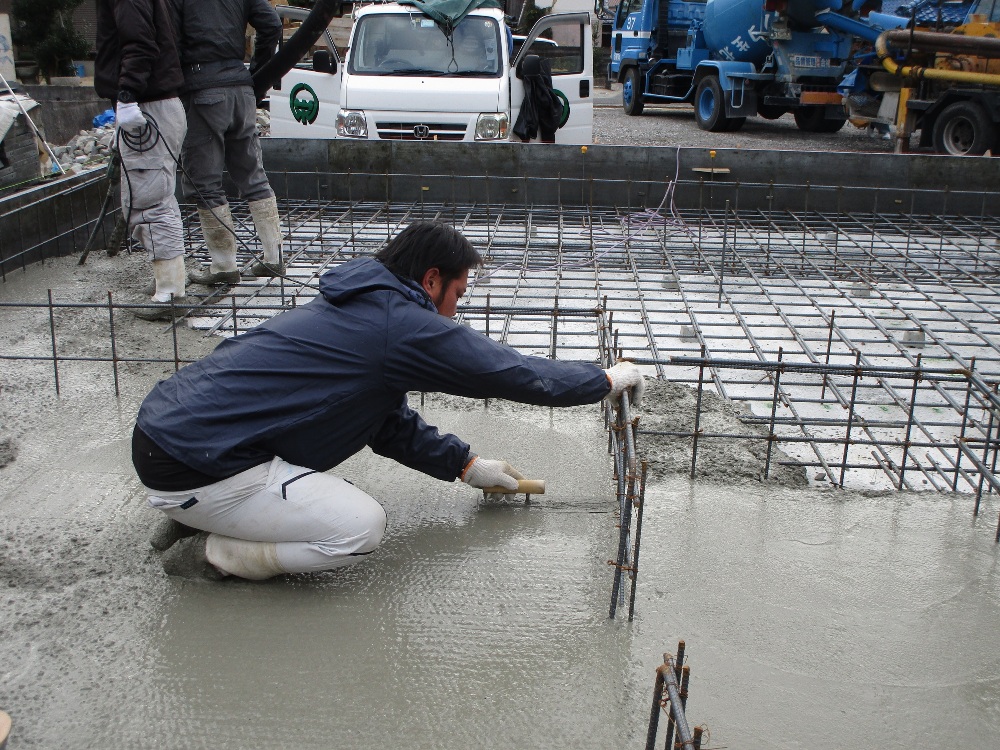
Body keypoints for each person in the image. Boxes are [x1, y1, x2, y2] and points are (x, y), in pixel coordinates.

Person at [133, 222, 645, 581]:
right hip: (196, 460)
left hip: (170, 430)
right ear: (430, 280)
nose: (456, 309)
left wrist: (467, 466)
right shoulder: (401, 326)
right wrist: (603, 380)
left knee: (316, 492)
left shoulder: (360, 306)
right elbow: (510, 372)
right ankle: (215, 552)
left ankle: (198, 512)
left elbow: (382, 422)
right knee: (357, 526)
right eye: (458, 294)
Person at [173, 0, 284, 286]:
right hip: (241, 87)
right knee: (253, 175)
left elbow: (168, 39)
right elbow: (271, 25)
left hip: (202, 89)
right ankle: (274, 258)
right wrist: (256, 70)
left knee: (205, 182)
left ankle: (223, 265)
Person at [95, 0, 189, 321]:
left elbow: (139, 41)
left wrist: (127, 95)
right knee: (158, 195)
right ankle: (169, 281)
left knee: (150, 202)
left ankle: (170, 294)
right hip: (159, 104)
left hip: (149, 105)